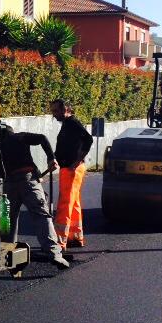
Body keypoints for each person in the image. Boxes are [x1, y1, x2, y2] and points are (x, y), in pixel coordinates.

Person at [0, 116, 69, 269]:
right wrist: (51, 158)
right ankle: (54, 254)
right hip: (28, 182)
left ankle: (6, 252)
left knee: (6, 220)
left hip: (8, 186)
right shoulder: (19, 138)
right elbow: (43, 138)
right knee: (41, 216)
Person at [50, 99, 93, 249]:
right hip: (69, 167)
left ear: (65, 110)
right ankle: (75, 236)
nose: (54, 114)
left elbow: (88, 139)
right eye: (53, 111)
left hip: (71, 169)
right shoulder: (68, 124)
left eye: (56, 111)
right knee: (73, 203)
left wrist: (77, 161)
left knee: (65, 204)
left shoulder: (73, 123)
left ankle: (59, 241)